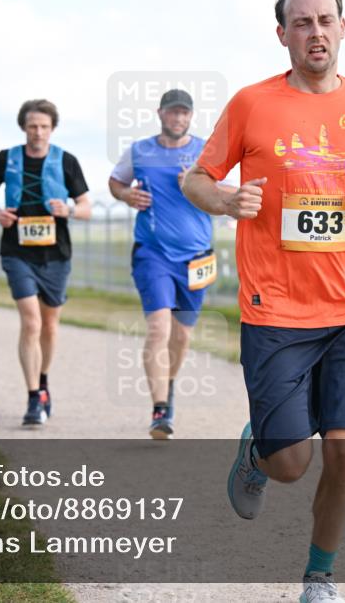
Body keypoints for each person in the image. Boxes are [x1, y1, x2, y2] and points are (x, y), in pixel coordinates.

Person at [181, 0, 345, 603]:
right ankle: (258, 450)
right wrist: (225, 199)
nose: (315, 32)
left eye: (325, 20)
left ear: (343, 28)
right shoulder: (251, 103)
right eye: (302, 23)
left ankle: (319, 578)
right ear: (282, 35)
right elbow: (196, 178)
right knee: (291, 464)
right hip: (274, 308)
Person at [109, 89, 228, 439]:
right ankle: (160, 410)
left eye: (184, 113)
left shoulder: (206, 151)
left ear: (191, 116)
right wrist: (125, 195)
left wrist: (196, 187)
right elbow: (116, 182)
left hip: (196, 256)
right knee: (159, 329)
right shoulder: (140, 150)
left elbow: (225, 194)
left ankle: (168, 385)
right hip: (153, 252)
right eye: (173, 112)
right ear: (160, 113)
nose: (179, 118)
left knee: (181, 335)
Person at [0, 99, 92, 427]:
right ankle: (32, 398)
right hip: (16, 251)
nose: (38, 132)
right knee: (31, 322)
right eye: (32, 126)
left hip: (56, 254)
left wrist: (68, 210)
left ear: (52, 128)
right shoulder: (6, 158)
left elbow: (86, 207)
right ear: (23, 128)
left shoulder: (66, 161)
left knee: (49, 324)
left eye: (44, 127)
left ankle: (43, 382)